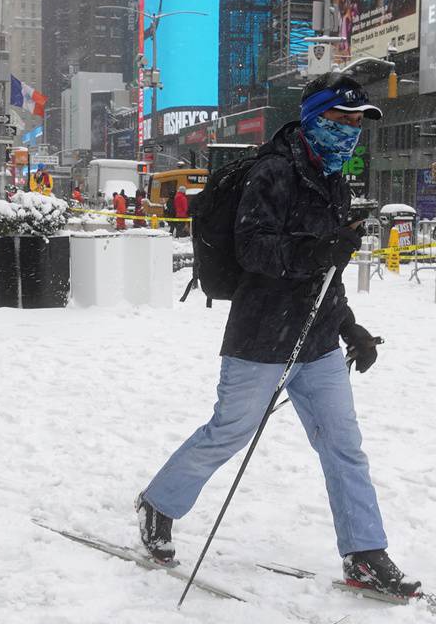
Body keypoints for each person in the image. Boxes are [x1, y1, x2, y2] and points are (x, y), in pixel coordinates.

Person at [135, 73, 418, 597]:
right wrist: (320, 249)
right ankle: (158, 503)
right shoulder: (273, 172)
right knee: (229, 433)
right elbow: (254, 250)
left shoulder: (332, 177)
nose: (352, 131)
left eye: (359, 123)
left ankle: (364, 552)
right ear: (314, 118)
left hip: (317, 340)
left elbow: (325, 269)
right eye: (342, 120)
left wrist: (349, 325)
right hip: (262, 331)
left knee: (343, 445)